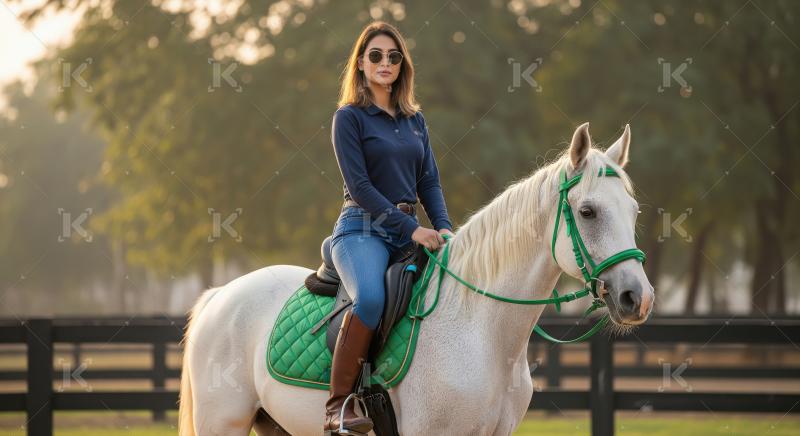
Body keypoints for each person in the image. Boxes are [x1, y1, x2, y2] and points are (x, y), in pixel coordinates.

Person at [324, 21, 455, 434]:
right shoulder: (349, 118)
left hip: (409, 230)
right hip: (362, 228)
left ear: (402, 66)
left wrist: (445, 227)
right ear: (361, 64)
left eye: (393, 57)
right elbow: (360, 187)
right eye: (376, 56)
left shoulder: (415, 121)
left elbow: (429, 182)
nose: (385, 63)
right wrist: (410, 229)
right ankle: (338, 405)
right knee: (370, 301)